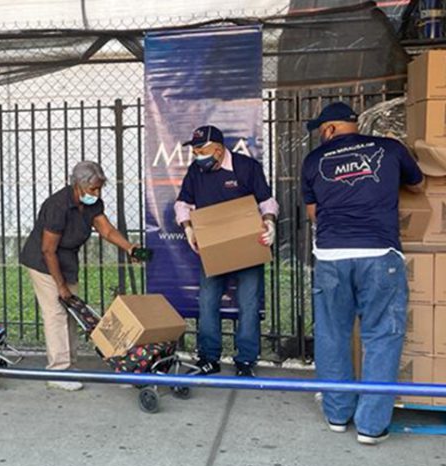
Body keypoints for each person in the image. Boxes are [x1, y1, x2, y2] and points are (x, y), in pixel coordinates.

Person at [302, 102, 423, 445]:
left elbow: (314, 214)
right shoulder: (389, 148)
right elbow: (417, 184)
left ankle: (338, 415)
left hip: (331, 257)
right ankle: (371, 426)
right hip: (378, 254)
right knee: (382, 336)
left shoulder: (313, 161)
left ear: (328, 130)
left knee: (332, 334)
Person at [20, 161, 141, 391]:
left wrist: (129, 248)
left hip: (66, 260)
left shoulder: (92, 203)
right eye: (93, 188)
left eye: (99, 189)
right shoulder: (57, 206)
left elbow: (106, 230)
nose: (96, 193)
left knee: (71, 313)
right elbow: (48, 250)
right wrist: (61, 286)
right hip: (44, 261)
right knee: (55, 313)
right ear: (78, 185)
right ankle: (57, 371)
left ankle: (69, 365)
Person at [175, 125, 279, 377]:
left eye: (201, 150)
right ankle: (209, 358)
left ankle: (246, 360)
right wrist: (188, 227)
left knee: (249, 303)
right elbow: (183, 203)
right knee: (209, 302)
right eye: (195, 150)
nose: (197, 155)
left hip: (247, 245)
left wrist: (270, 222)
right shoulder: (195, 171)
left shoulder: (246, 167)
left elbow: (266, 200)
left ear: (219, 150)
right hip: (212, 248)